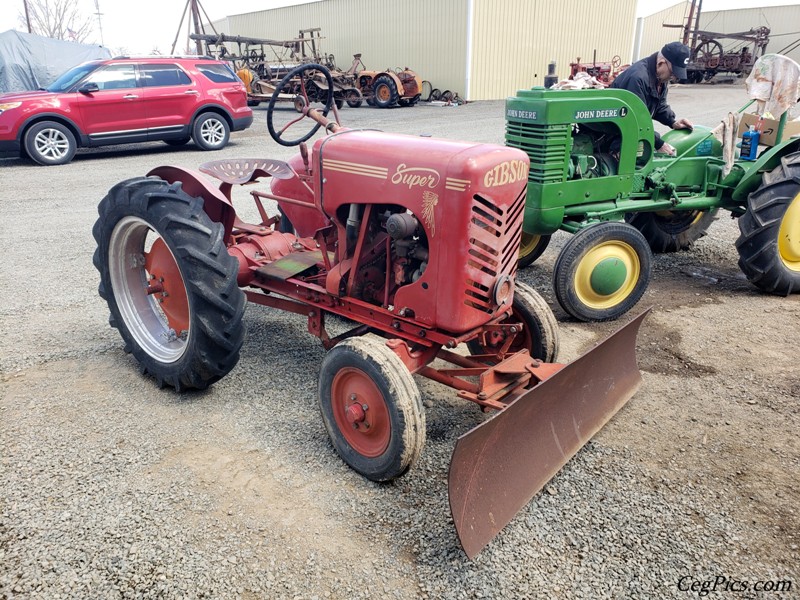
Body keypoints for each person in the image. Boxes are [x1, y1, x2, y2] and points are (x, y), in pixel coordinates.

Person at [611, 42, 694, 156]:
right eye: (673, 72)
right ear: (661, 63)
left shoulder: (660, 77)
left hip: (628, 132)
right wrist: (659, 143)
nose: (674, 78)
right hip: (613, 134)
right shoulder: (637, 78)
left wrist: (672, 122)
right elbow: (636, 119)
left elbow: (659, 105)